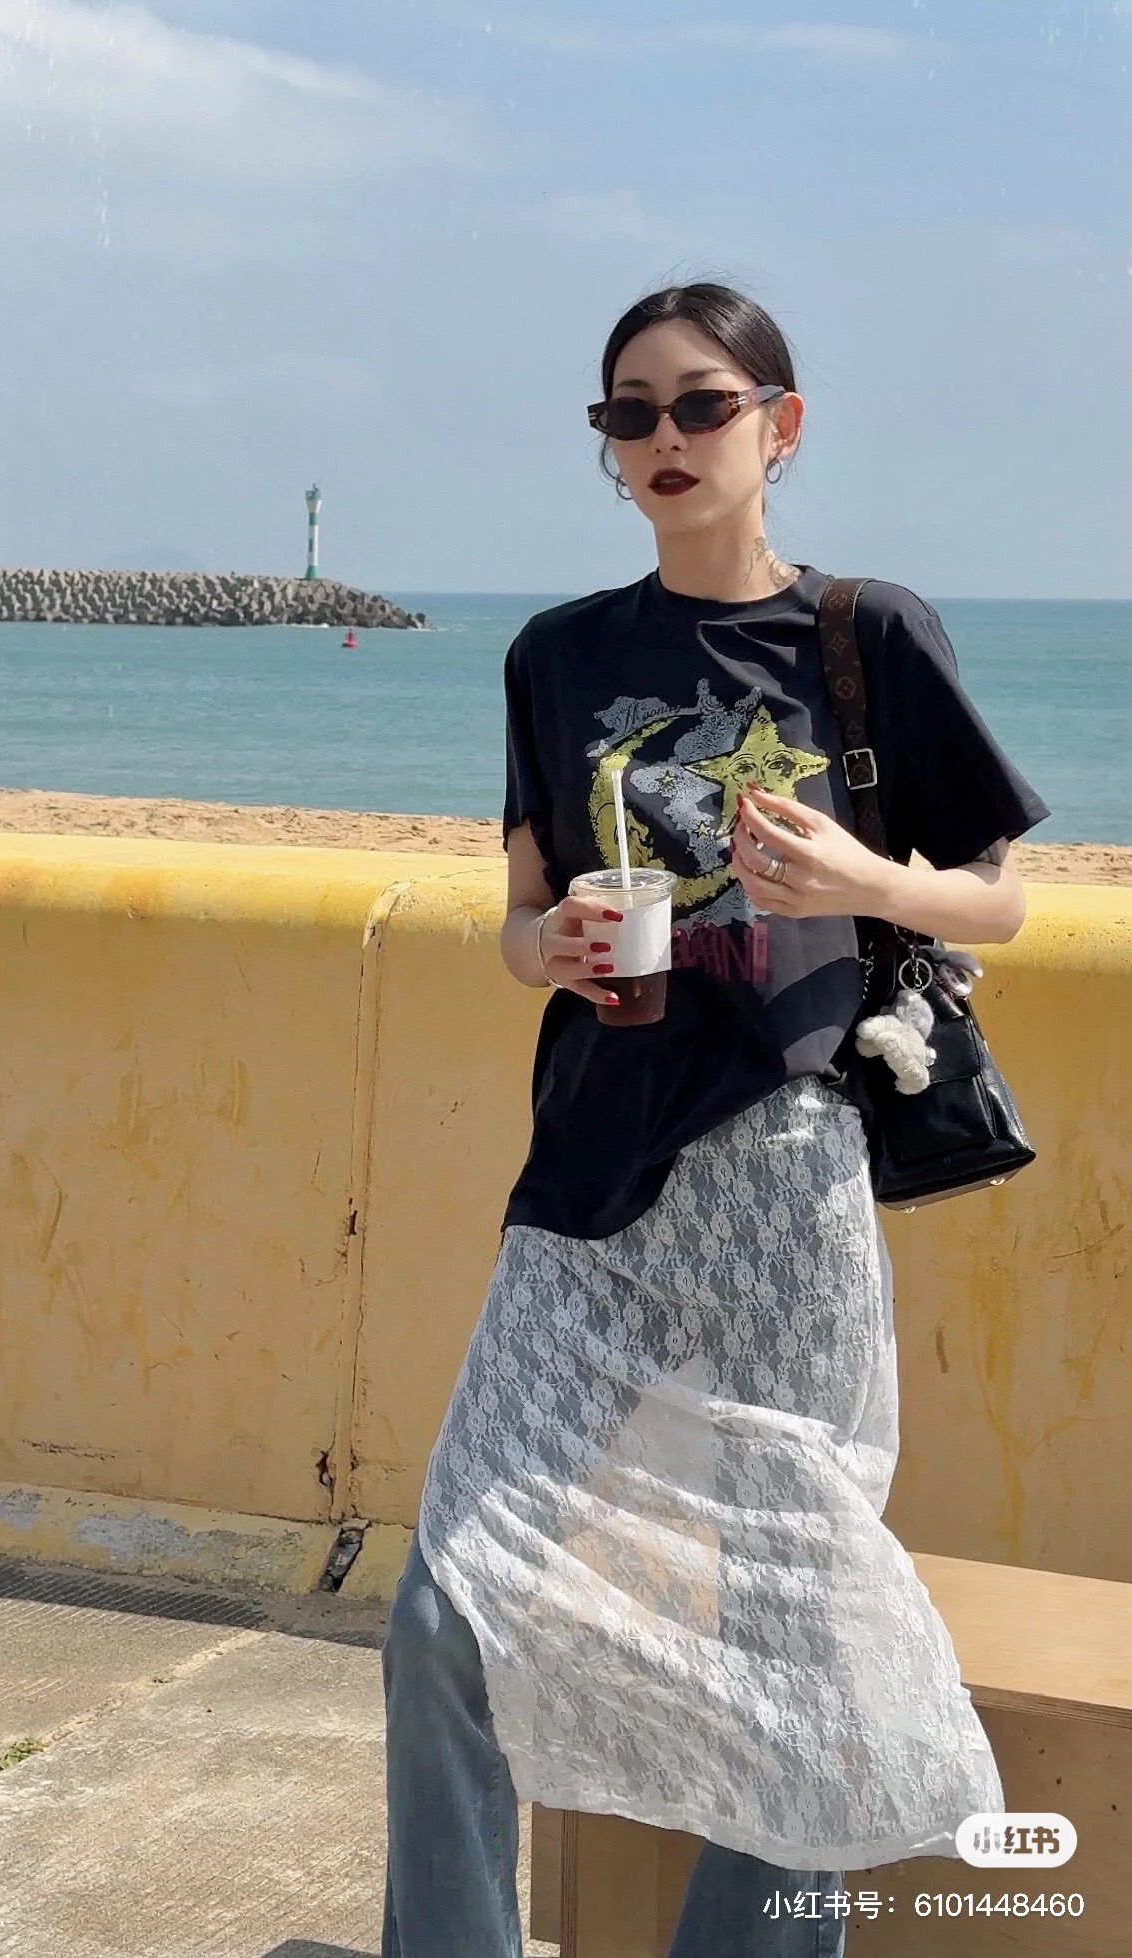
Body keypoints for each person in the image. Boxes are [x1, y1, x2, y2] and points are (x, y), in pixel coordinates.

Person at [379, 281, 1051, 1958]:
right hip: (590, 1177)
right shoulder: (555, 655)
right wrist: (549, 943)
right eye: (629, 412)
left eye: (701, 403)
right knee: (448, 1611)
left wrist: (862, 878)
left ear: (779, 425)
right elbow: (519, 912)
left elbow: (996, 897)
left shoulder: (865, 635)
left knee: (789, 1636)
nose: (664, 438)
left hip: (782, 1183)